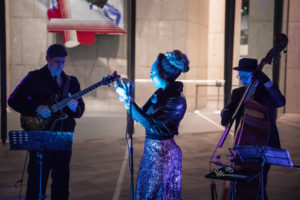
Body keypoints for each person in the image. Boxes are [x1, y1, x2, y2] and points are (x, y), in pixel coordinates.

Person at [8, 44, 85, 200]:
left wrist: (75, 107)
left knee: (62, 180)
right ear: (47, 59)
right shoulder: (34, 77)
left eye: (62, 61)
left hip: (63, 136)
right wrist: (35, 107)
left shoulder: (71, 82)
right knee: (37, 178)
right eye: (56, 61)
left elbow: (80, 111)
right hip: (39, 134)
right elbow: (13, 100)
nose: (60, 65)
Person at [115, 50, 189, 199]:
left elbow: (150, 123)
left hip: (164, 155)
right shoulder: (160, 93)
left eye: (152, 72)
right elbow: (140, 115)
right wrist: (127, 94)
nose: (150, 75)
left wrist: (127, 99)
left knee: (159, 195)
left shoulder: (176, 99)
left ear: (163, 74)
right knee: (145, 192)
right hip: (152, 153)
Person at [220, 58, 286, 200]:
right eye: (240, 76)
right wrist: (225, 112)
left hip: (265, 142)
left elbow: (280, 102)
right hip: (243, 143)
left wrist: (266, 81)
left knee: (260, 181)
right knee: (242, 180)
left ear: (255, 74)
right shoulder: (238, 92)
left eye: (245, 76)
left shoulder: (267, 89)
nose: (242, 79)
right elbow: (229, 107)